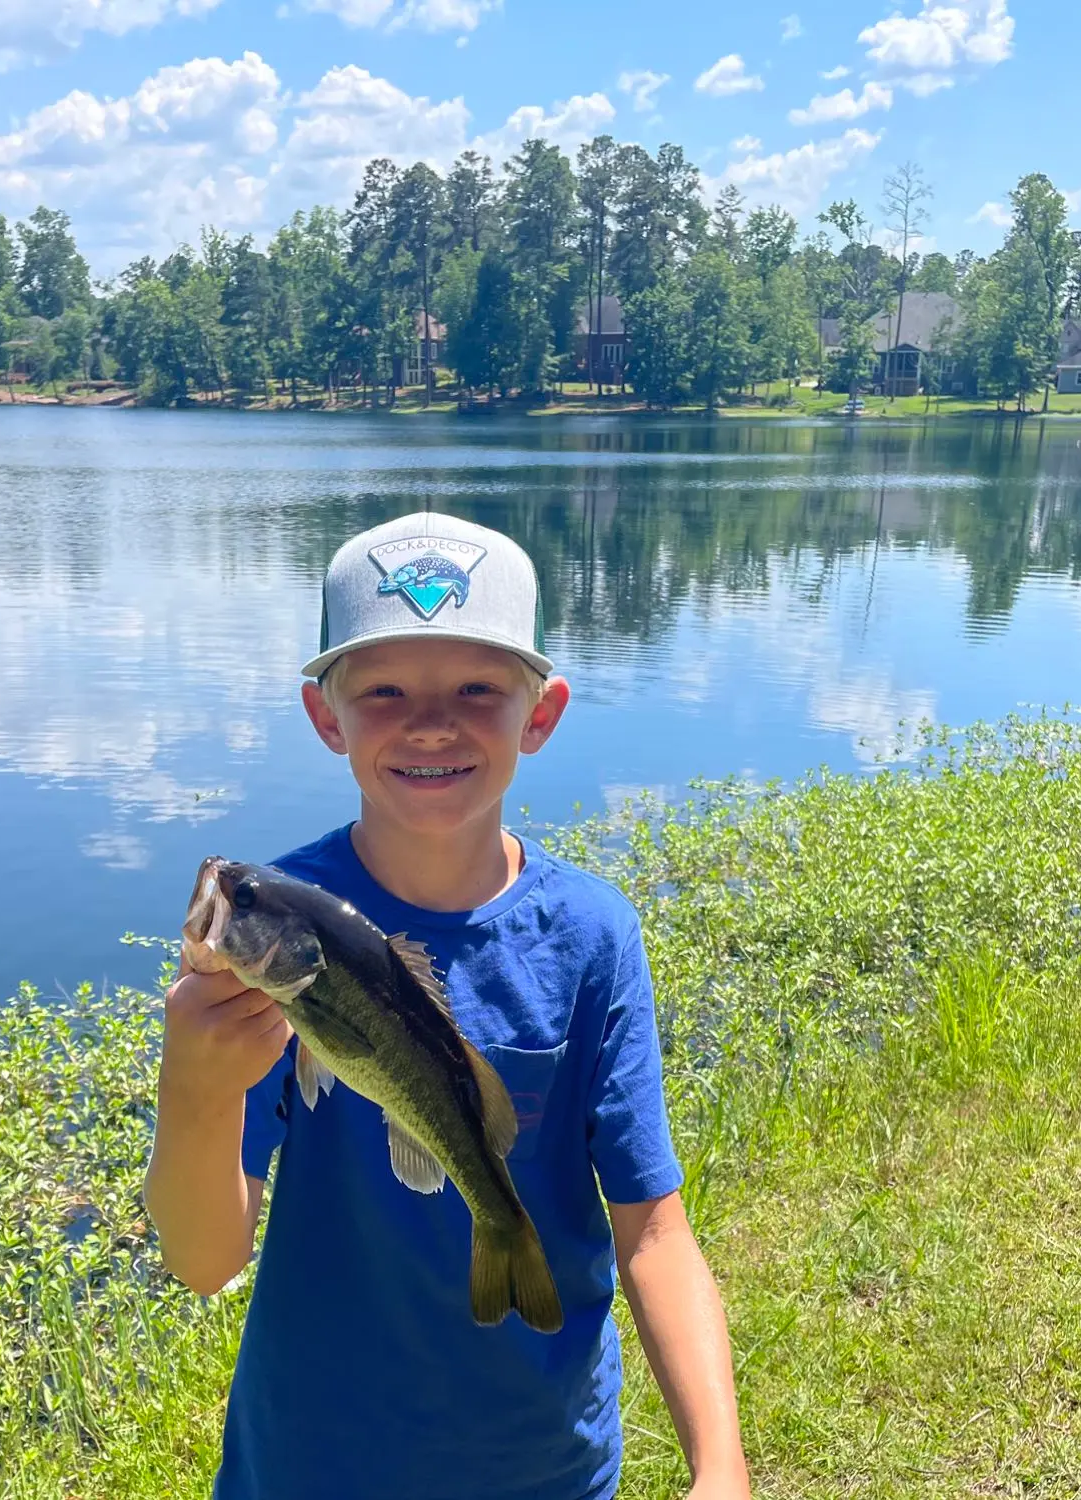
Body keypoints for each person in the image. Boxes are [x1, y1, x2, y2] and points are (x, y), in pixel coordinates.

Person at [145, 511, 751, 1500]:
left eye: (477, 688)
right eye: (383, 691)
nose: (430, 722)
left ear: (541, 713)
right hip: (311, 1468)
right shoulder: (271, 949)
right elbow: (206, 1262)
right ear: (325, 715)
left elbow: (654, 1231)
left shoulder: (594, 936)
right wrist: (197, 1091)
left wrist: (720, 1467)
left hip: (543, 1468)